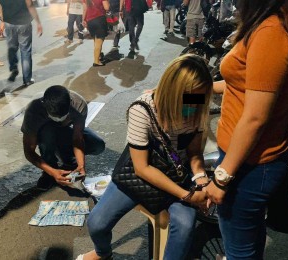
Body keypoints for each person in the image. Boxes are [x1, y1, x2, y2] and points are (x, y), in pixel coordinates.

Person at [205, 0, 288, 259]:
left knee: (238, 246)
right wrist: (191, 89)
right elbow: (243, 85)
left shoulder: (272, 31)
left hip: (250, 163)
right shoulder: (275, 21)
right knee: (248, 235)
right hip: (247, 158)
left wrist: (222, 177)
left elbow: (256, 116)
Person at [76, 54, 213, 260]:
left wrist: (200, 177)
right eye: (188, 99)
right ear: (171, 92)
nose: (193, 107)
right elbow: (142, 168)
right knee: (97, 222)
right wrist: (187, 196)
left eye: (198, 99)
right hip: (142, 176)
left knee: (184, 225)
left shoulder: (196, 105)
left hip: (177, 174)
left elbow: (194, 152)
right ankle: (102, 253)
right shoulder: (142, 110)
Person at [21, 85, 105, 190]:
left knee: (97, 145)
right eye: (54, 115)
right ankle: (50, 168)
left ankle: (68, 159)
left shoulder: (78, 104)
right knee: (48, 132)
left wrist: (81, 165)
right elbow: (29, 150)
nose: (59, 118)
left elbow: (77, 138)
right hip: (45, 133)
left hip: (66, 130)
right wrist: (52, 172)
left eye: (62, 115)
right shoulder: (33, 110)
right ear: (43, 104)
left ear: (70, 103)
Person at [0, 0, 43, 87]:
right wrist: (38, 22)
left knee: (12, 47)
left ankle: (13, 67)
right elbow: (30, 4)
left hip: (9, 23)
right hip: (24, 22)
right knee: (25, 51)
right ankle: (27, 80)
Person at [82, 0, 110, 66]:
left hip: (90, 21)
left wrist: (83, 20)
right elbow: (107, 7)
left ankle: (99, 56)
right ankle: (96, 61)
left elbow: (84, 9)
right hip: (99, 20)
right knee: (99, 41)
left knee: (95, 40)